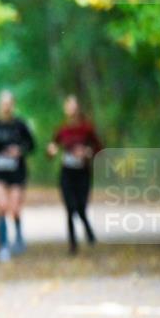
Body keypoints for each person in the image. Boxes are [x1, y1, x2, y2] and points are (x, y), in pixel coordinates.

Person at [47, 94, 103, 254]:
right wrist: (51, 151)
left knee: (81, 206)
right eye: (68, 106)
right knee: (70, 207)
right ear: (65, 109)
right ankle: (73, 243)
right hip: (67, 172)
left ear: (78, 108)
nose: (71, 109)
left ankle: (87, 228)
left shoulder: (87, 128)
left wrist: (88, 152)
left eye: (74, 106)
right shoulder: (62, 130)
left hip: (83, 172)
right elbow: (51, 149)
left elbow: (99, 148)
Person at [0, 90, 35, 262]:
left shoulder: (20, 125)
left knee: (14, 208)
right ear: (0, 105)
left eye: (9, 103)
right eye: (3, 103)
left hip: (16, 172)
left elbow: (31, 145)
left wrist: (19, 150)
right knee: (1, 207)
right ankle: (4, 245)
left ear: (13, 105)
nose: (6, 107)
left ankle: (19, 237)